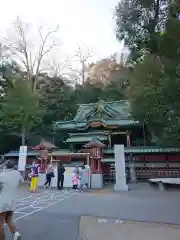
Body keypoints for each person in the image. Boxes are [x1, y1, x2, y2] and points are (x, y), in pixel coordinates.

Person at [0, 160, 22, 240]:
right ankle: (15, 234)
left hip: (2, 202)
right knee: (9, 220)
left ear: (5, 166)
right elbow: (21, 181)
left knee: (0, 223)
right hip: (12, 201)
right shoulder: (17, 174)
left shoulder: (2, 175)